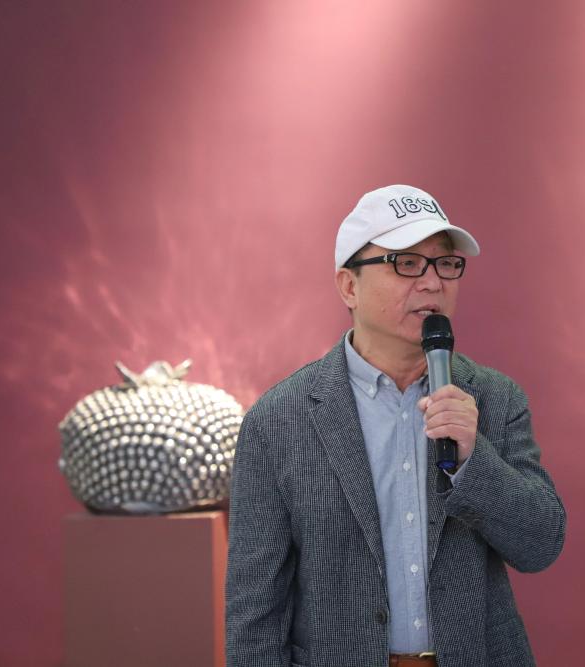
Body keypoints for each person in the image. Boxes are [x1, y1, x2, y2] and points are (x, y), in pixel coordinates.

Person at [226, 184, 566, 667]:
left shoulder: (494, 398)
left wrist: (475, 462)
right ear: (349, 286)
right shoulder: (278, 420)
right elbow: (254, 611)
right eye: (407, 263)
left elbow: (541, 545)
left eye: (446, 264)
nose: (432, 283)